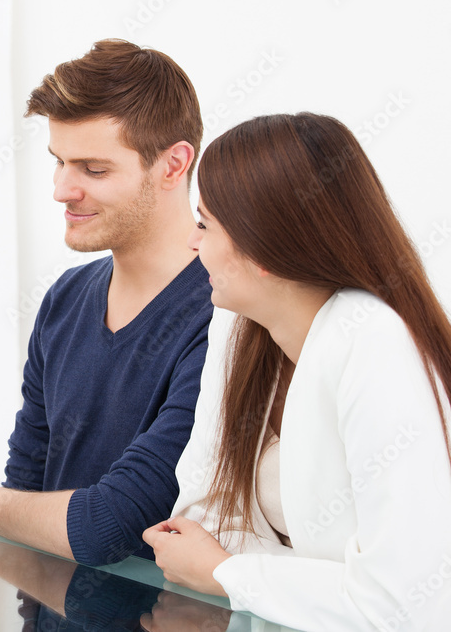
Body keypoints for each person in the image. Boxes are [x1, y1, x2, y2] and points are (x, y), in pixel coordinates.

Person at [143, 112, 451, 630]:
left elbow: (404, 605)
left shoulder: (373, 341)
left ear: (261, 247)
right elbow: (197, 519)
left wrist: (228, 573)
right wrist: (314, 581)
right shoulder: (239, 327)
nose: (194, 245)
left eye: (204, 224)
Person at [0, 39, 213, 565]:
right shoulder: (65, 298)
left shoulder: (224, 313)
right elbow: (24, 492)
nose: (62, 189)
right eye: (59, 162)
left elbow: (114, 525)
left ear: (173, 165)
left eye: (94, 169)